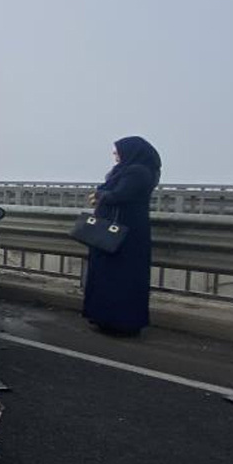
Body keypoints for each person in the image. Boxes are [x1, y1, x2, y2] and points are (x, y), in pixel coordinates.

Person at [83, 136, 162, 337]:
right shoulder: (136, 170)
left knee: (119, 278)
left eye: (118, 150)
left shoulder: (138, 172)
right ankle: (105, 319)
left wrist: (100, 196)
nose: (115, 154)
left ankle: (119, 323)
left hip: (123, 233)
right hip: (121, 230)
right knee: (110, 276)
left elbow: (120, 195)